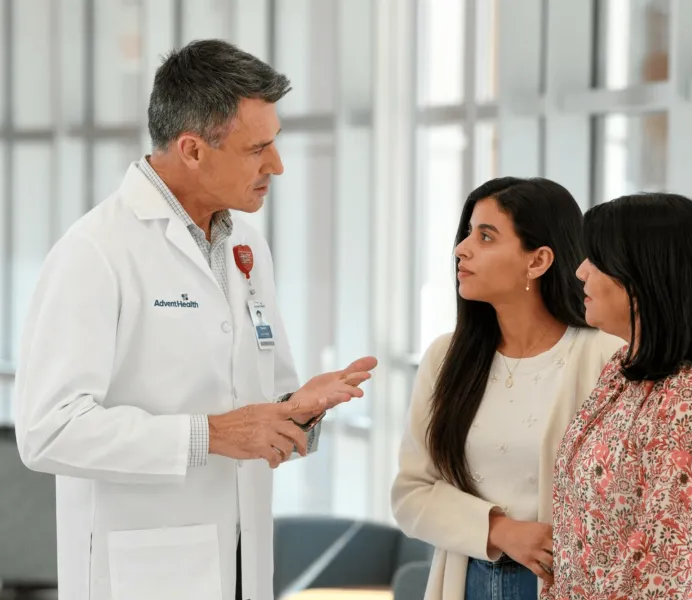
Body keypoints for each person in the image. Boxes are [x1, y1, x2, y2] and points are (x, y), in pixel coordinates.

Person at [13, 40, 377, 600]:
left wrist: (295, 411)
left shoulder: (245, 246)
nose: (276, 165)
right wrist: (210, 436)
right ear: (192, 150)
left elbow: (261, 400)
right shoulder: (95, 252)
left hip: (241, 562)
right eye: (258, 149)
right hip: (141, 571)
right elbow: (47, 431)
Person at [391, 177, 625, 600]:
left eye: (485, 236)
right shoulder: (445, 358)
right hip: (467, 581)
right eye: (467, 234)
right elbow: (411, 493)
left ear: (538, 261)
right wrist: (501, 531)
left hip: (560, 585)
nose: (461, 250)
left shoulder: (606, 358)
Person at [541, 193, 692, 600]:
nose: (580, 271)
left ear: (643, 275)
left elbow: (665, 572)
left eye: (596, 258)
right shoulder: (624, 370)